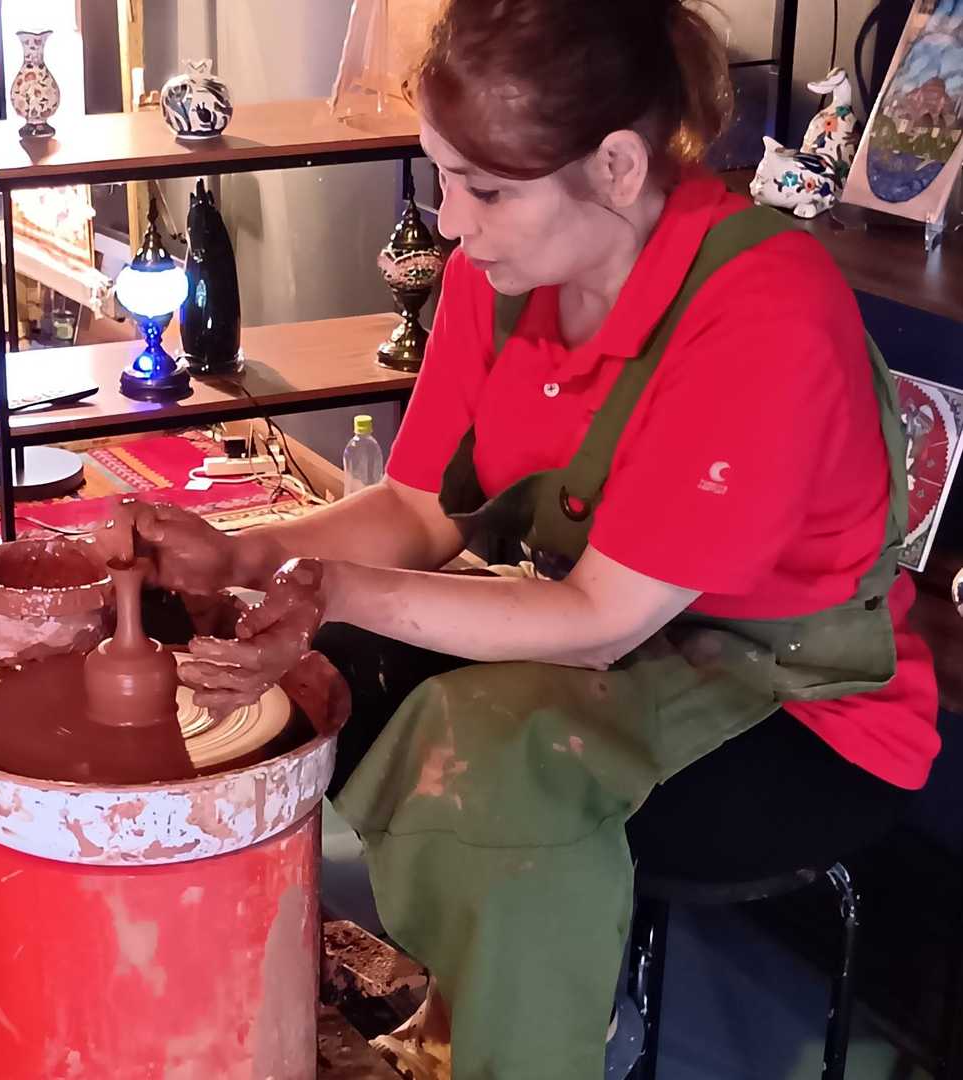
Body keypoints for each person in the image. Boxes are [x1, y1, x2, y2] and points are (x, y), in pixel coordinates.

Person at [124, 0, 940, 1075]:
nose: (452, 222)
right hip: (630, 635)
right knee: (332, 677)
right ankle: (355, 988)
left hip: (802, 708)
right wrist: (240, 556)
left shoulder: (761, 308)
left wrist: (327, 587)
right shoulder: (498, 275)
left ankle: (527, 1038)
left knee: (481, 749)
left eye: (488, 189)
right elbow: (417, 510)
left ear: (615, 166)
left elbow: (600, 620)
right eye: (443, 176)